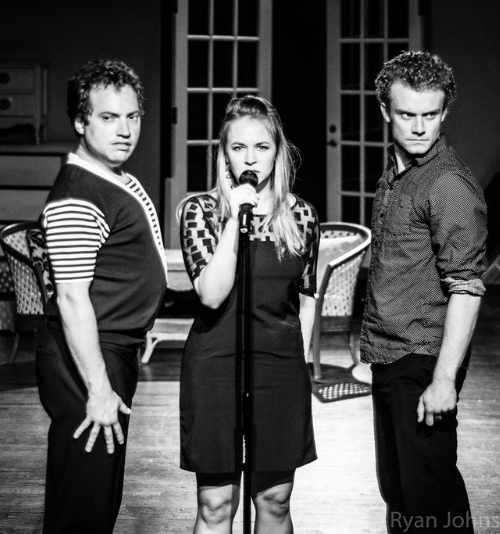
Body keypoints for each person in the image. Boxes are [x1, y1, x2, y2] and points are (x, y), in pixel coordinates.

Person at [36, 58, 167, 533]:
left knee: (98, 499)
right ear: (80, 121)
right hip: (88, 358)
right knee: (82, 508)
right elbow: (71, 298)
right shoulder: (77, 194)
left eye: (132, 116)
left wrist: (143, 324)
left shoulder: (115, 178)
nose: (125, 129)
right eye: (108, 117)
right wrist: (97, 388)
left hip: (114, 347)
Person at [177, 94, 319, 533]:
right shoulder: (200, 211)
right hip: (215, 365)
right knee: (217, 504)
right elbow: (212, 294)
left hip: (278, 366)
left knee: (274, 499)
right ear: (223, 155)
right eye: (238, 148)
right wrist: (234, 221)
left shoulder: (301, 215)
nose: (250, 158)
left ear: (277, 152)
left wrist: (298, 363)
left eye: (261, 147)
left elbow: (307, 295)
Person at [360, 51, 487, 533]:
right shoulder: (398, 175)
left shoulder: (448, 183)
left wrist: (443, 380)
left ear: (444, 113)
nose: (418, 127)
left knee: (431, 501)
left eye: (430, 115)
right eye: (408, 114)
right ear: (386, 112)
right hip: (392, 356)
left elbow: (467, 288)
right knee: (400, 494)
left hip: (423, 360)